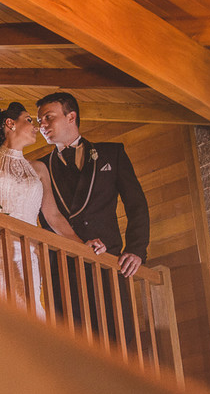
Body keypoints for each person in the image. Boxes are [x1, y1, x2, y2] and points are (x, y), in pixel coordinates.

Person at [0, 102, 99, 316]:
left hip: (27, 252)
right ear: (10, 123)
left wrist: (83, 246)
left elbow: (53, 217)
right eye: (29, 120)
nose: (36, 126)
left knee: (27, 313)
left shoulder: (39, 169)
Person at [37, 91, 149, 341]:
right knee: (75, 349)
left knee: (119, 341)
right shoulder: (40, 167)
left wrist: (137, 249)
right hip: (64, 270)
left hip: (109, 263)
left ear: (71, 116)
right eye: (39, 121)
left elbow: (136, 204)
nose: (42, 125)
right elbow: (47, 217)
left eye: (48, 117)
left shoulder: (111, 154)